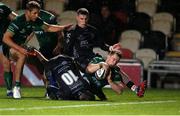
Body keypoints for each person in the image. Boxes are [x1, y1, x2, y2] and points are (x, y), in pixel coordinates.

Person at [2, 1, 72, 99]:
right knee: (22, 55)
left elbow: (49, 27)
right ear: (28, 12)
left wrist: (63, 27)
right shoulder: (18, 21)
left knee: (41, 60)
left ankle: (49, 90)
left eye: (38, 13)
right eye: (34, 13)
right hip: (8, 47)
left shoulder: (36, 20)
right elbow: (5, 38)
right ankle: (16, 87)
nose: (37, 15)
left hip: (21, 47)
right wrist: (20, 48)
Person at [63, 8, 108, 72]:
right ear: (77, 18)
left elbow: (102, 45)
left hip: (91, 57)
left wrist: (110, 48)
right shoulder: (71, 32)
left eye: (85, 19)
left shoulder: (93, 30)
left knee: (106, 67)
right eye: (81, 19)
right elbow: (67, 50)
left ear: (88, 18)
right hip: (78, 60)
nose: (84, 21)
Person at [0, 2, 17, 97]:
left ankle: (9, 90)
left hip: (4, 40)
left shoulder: (3, 7)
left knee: (6, 64)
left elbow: (16, 18)